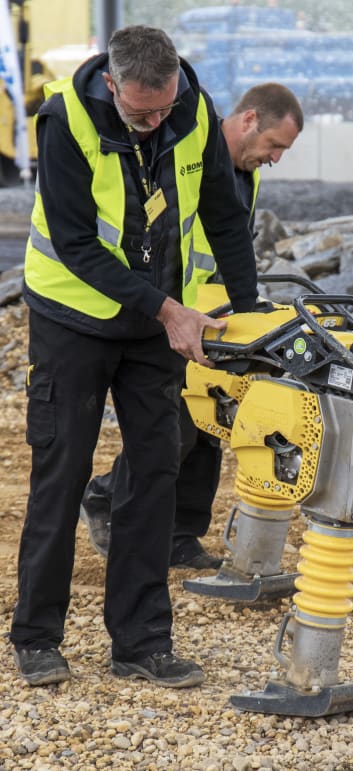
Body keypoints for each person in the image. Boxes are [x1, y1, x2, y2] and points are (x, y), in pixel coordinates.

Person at [10, 25, 260, 689]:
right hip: (72, 318)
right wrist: (169, 310)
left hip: (152, 326)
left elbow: (224, 214)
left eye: (164, 110)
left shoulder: (192, 111)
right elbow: (76, 242)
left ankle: (142, 643)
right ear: (112, 84)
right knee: (60, 476)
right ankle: (36, 637)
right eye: (140, 112)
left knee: (154, 476)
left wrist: (253, 309)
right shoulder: (64, 120)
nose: (154, 124)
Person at [79, 83, 304, 568]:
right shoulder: (184, 152)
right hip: (173, 312)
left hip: (216, 313)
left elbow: (230, 241)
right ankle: (105, 496)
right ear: (248, 121)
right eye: (275, 146)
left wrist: (247, 309)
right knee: (175, 426)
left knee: (213, 423)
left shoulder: (245, 171)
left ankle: (182, 533)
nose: (276, 158)